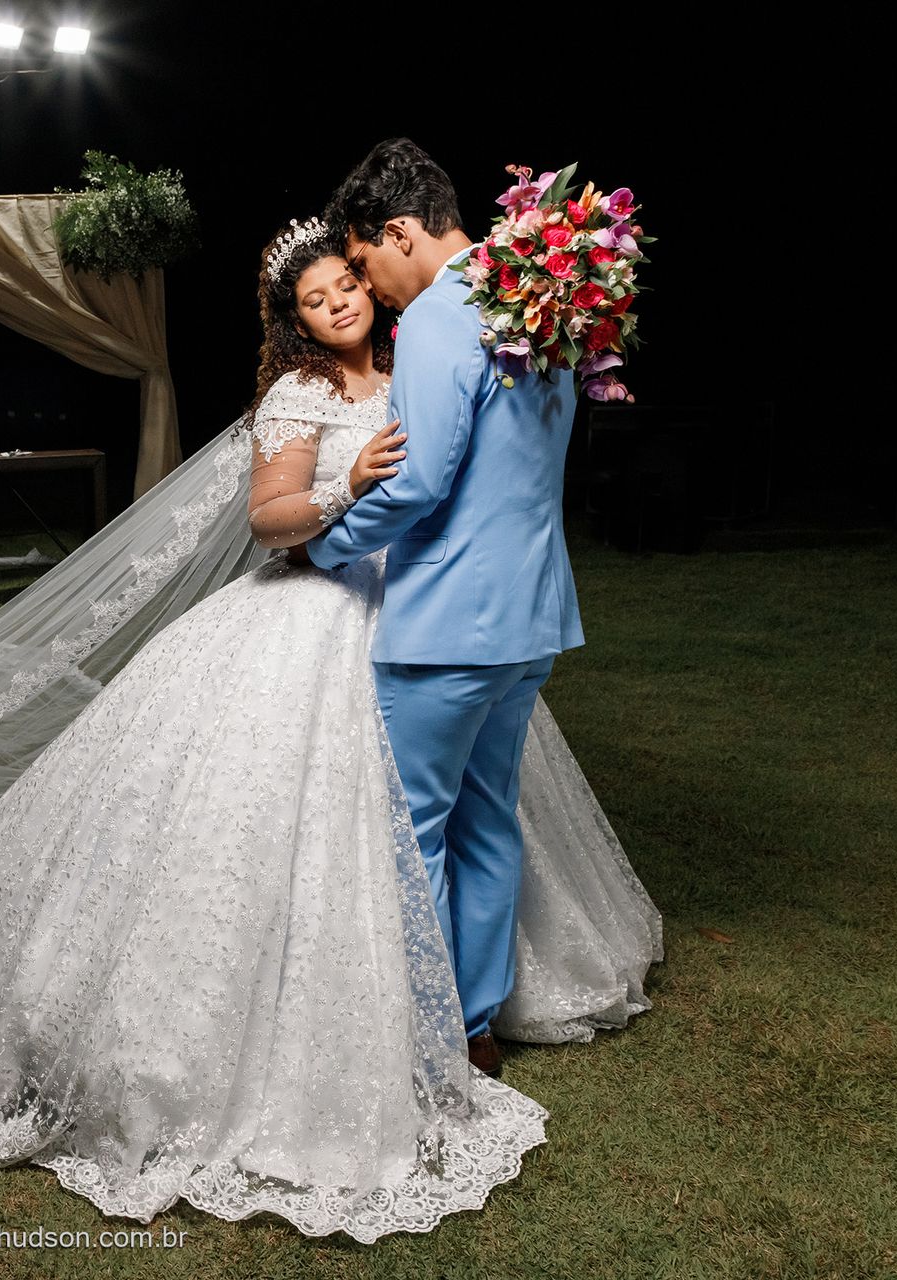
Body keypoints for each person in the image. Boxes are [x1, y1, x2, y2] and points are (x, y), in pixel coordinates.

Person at [0, 218, 658, 1237]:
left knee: (462, 809)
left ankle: (468, 1000)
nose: (338, 307)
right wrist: (343, 484)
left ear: (370, 281)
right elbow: (268, 519)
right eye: (316, 300)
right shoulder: (296, 396)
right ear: (297, 320)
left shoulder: (431, 353)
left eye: (346, 288)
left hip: (433, 612)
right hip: (315, 612)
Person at [310, 140, 586, 1077]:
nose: (370, 287)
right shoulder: (541, 300)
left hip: (445, 625)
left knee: (415, 827)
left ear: (397, 231)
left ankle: (427, 1036)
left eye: (364, 264)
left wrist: (327, 541)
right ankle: (476, 1026)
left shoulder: (439, 315)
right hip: (532, 615)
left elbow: (418, 479)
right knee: (489, 821)